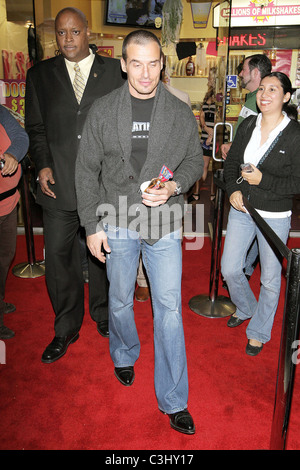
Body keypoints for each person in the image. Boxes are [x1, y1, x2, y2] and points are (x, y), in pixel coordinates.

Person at [75, 30, 203, 434]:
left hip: (164, 222)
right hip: (116, 217)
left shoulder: (179, 111)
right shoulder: (103, 110)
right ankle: (124, 351)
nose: (145, 73)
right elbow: (86, 170)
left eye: (153, 63)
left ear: (162, 65)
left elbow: (194, 162)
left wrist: (173, 186)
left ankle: (174, 398)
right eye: (137, 63)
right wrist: (91, 226)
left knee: (168, 309)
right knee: (120, 299)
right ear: (124, 64)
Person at [25, 7, 125, 363]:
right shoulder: (39, 75)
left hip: (102, 188)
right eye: (62, 33)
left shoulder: (115, 71)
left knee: (104, 258)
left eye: (75, 32)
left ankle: (103, 314)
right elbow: (35, 128)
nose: (68, 39)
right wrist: (43, 165)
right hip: (58, 188)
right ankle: (65, 326)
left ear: (88, 33)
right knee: (60, 260)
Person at [221, 72, 300, 356]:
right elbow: (232, 163)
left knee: (269, 278)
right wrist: (233, 189)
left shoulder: (294, 134)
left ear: (287, 96)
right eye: (262, 89)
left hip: (274, 216)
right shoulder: (249, 125)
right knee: (229, 268)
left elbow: (297, 183)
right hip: (242, 209)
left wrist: (262, 180)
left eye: (274, 90)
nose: (265, 94)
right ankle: (247, 307)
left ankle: (259, 330)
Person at [0, 105, 29, 339]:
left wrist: (12, 154)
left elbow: (20, 136)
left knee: (5, 258)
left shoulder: (0, 111)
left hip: (8, 204)